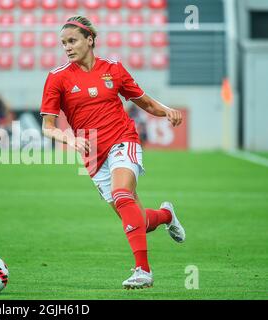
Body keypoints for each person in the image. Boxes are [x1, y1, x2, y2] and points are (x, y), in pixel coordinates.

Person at [40, 16, 186, 289]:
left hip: (123, 140)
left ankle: (143, 271)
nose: (67, 48)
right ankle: (166, 215)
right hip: (92, 157)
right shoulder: (57, 78)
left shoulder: (114, 69)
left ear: (90, 40)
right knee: (137, 220)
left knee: (122, 195)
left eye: (72, 41)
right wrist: (67, 138)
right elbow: (48, 126)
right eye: (63, 43)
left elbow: (145, 103)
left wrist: (166, 110)